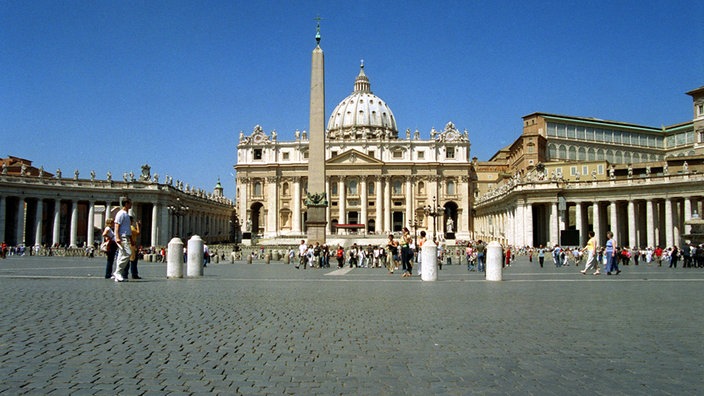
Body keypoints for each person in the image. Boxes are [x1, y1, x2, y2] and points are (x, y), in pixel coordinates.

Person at [112, 198, 132, 282]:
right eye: (130, 203)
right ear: (126, 204)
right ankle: (118, 272)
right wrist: (117, 237)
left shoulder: (126, 214)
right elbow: (116, 226)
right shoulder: (120, 214)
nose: (131, 205)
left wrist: (131, 238)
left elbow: (127, 228)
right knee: (128, 253)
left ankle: (117, 275)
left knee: (121, 255)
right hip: (122, 237)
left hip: (125, 236)